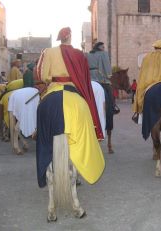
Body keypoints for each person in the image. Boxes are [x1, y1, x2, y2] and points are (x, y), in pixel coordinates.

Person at [36, 27, 104, 188]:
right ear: (70, 37)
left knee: (41, 109)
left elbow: (43, 75)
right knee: (86, 108)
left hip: (53, 90)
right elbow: (84, 77)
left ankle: (38, 133)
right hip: (73, 92)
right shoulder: (79, 54)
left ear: (60, 38)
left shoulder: (49, 52)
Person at [132, 39, 161, 121]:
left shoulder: (147, 58)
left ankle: (138, 113)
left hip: (150, 83)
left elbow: (143, 74)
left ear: (154, 47)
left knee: (140, 91)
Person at [86, 42, 118, 133]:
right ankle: (112, 109)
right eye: (103, 47)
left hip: (89, 80)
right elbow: (107, 69)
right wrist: (109, 75)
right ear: (100, 47)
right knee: (110, 99)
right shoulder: (103, 54)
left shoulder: (88, 55)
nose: (104, 48)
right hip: (100, 79)